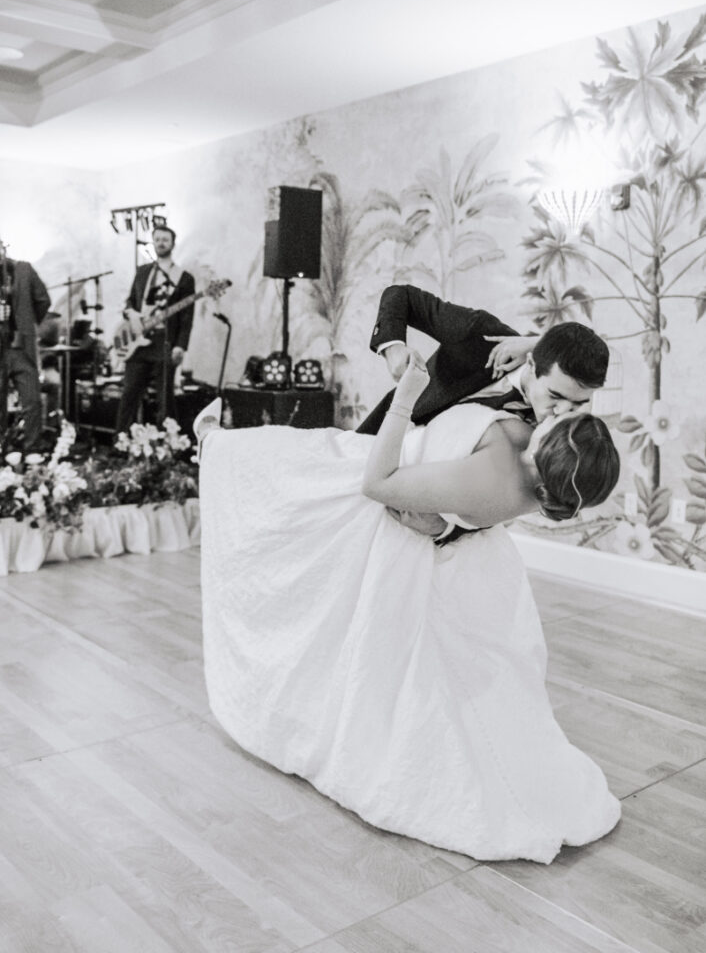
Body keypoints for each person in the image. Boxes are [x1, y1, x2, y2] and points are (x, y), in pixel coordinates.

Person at [195, 342, 622, 864]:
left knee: (283, 479)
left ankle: (214, 446)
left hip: (375, 485)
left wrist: (404, 398)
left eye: (566, 417)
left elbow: (380, 484)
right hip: (429, 513)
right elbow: (557, 365)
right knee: (287, 460)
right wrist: (531, 344)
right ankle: (217, 444)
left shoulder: (496, 477)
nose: (559, 414)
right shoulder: (542, 443)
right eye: (566, 406)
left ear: (550, 454)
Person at [357, 283, 609, 434]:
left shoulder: (558, 429)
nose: (563, 412)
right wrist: (393, 348)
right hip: (377, 441)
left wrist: (537, 342)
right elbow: (401, 296)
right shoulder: (478, 334)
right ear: (532, 364)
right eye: (555, 396)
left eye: (577, 405)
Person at [115, 225, 194, 432]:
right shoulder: (142, 272)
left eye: (165, 239)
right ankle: (121, 441)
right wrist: (132, 314)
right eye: (157, 239)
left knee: (165, 397)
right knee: (129, 393)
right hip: (138, 342)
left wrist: (181, 346)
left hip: (164, 341)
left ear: (173, 244)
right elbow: (130, 302)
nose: (161, 243)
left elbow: (187, 317)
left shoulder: (184, 278)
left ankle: (169, 444)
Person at [0, 237, 51, 450]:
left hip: (21, 348)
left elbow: (43, 300)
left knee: (32, 402)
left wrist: (27, 323)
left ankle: (32, 451)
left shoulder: (24, 269)